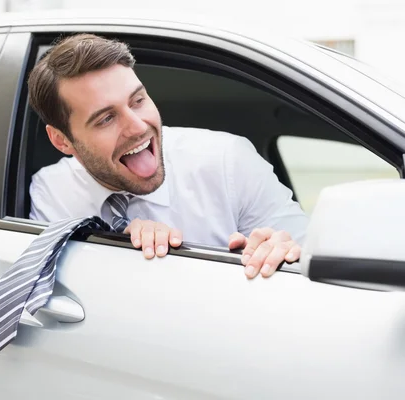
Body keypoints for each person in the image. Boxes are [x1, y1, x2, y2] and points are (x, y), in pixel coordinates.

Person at [27, 33, 309, 279]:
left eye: (138, 101)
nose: (138, 126)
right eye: (106, 119)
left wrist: (285, 250)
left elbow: (313, 256)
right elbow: (60, 293)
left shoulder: (229, 161)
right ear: (62, 141)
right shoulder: (52, 190)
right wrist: (126, 256)